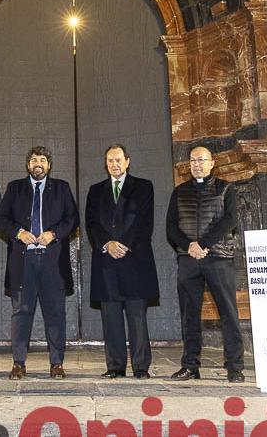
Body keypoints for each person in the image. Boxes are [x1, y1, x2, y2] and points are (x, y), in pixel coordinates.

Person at [0, 146, 79, 380]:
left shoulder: (61, 188)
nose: (38, 163)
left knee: (55, 313)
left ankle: (57, 363)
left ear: (49, 165)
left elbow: (72, 218)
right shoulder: (15, 188)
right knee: (21, 313)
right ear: (28, 165)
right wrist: (19, 232)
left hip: (53, 261)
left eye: (42, 160)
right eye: (34, 160)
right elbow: (2, 218)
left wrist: (54, 233)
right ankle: (18, 363)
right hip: (23, 261)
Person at [166, 146, 245, 382]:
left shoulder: (226, 188)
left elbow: (230, 220)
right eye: (193, 160)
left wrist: (204, 244)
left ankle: (235, 367)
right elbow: (171, 227)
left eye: (202, 160)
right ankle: (190, 365)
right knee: (189, 315)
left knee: (228, 313)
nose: (197, 164)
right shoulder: (179, 192)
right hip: (189, 260)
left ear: (212, 163)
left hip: (218, 257)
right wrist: (190, 246)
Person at [85, 143, 158, 379]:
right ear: (105, 164)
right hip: (107, 262)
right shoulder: (95, 190)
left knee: (137, 317)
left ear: (127, 161)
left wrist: (124, 244)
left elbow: (144, 222)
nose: (114, 164)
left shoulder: (144, 187)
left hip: (135, 260)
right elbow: (92, 224)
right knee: (111, 317)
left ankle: (141, 367)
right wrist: (108, 243)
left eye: (118, 160)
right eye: (109, 161)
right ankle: (115, 366)